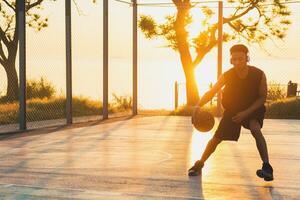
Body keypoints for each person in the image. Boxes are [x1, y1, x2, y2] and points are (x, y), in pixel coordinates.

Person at [189, 44, 273, 181]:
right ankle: (200, 164)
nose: (237, 62)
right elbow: (211, 92)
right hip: (233, 109)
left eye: (240, 58)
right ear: (231, 60)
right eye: (234, 59)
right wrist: (198, 106)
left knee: (255, 129)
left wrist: (246, 113)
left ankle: (267, 168)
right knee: (216, 139)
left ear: (247, 58)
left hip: (253, 108)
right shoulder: (227, 75)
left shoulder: (259, 74)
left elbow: (262, 97)